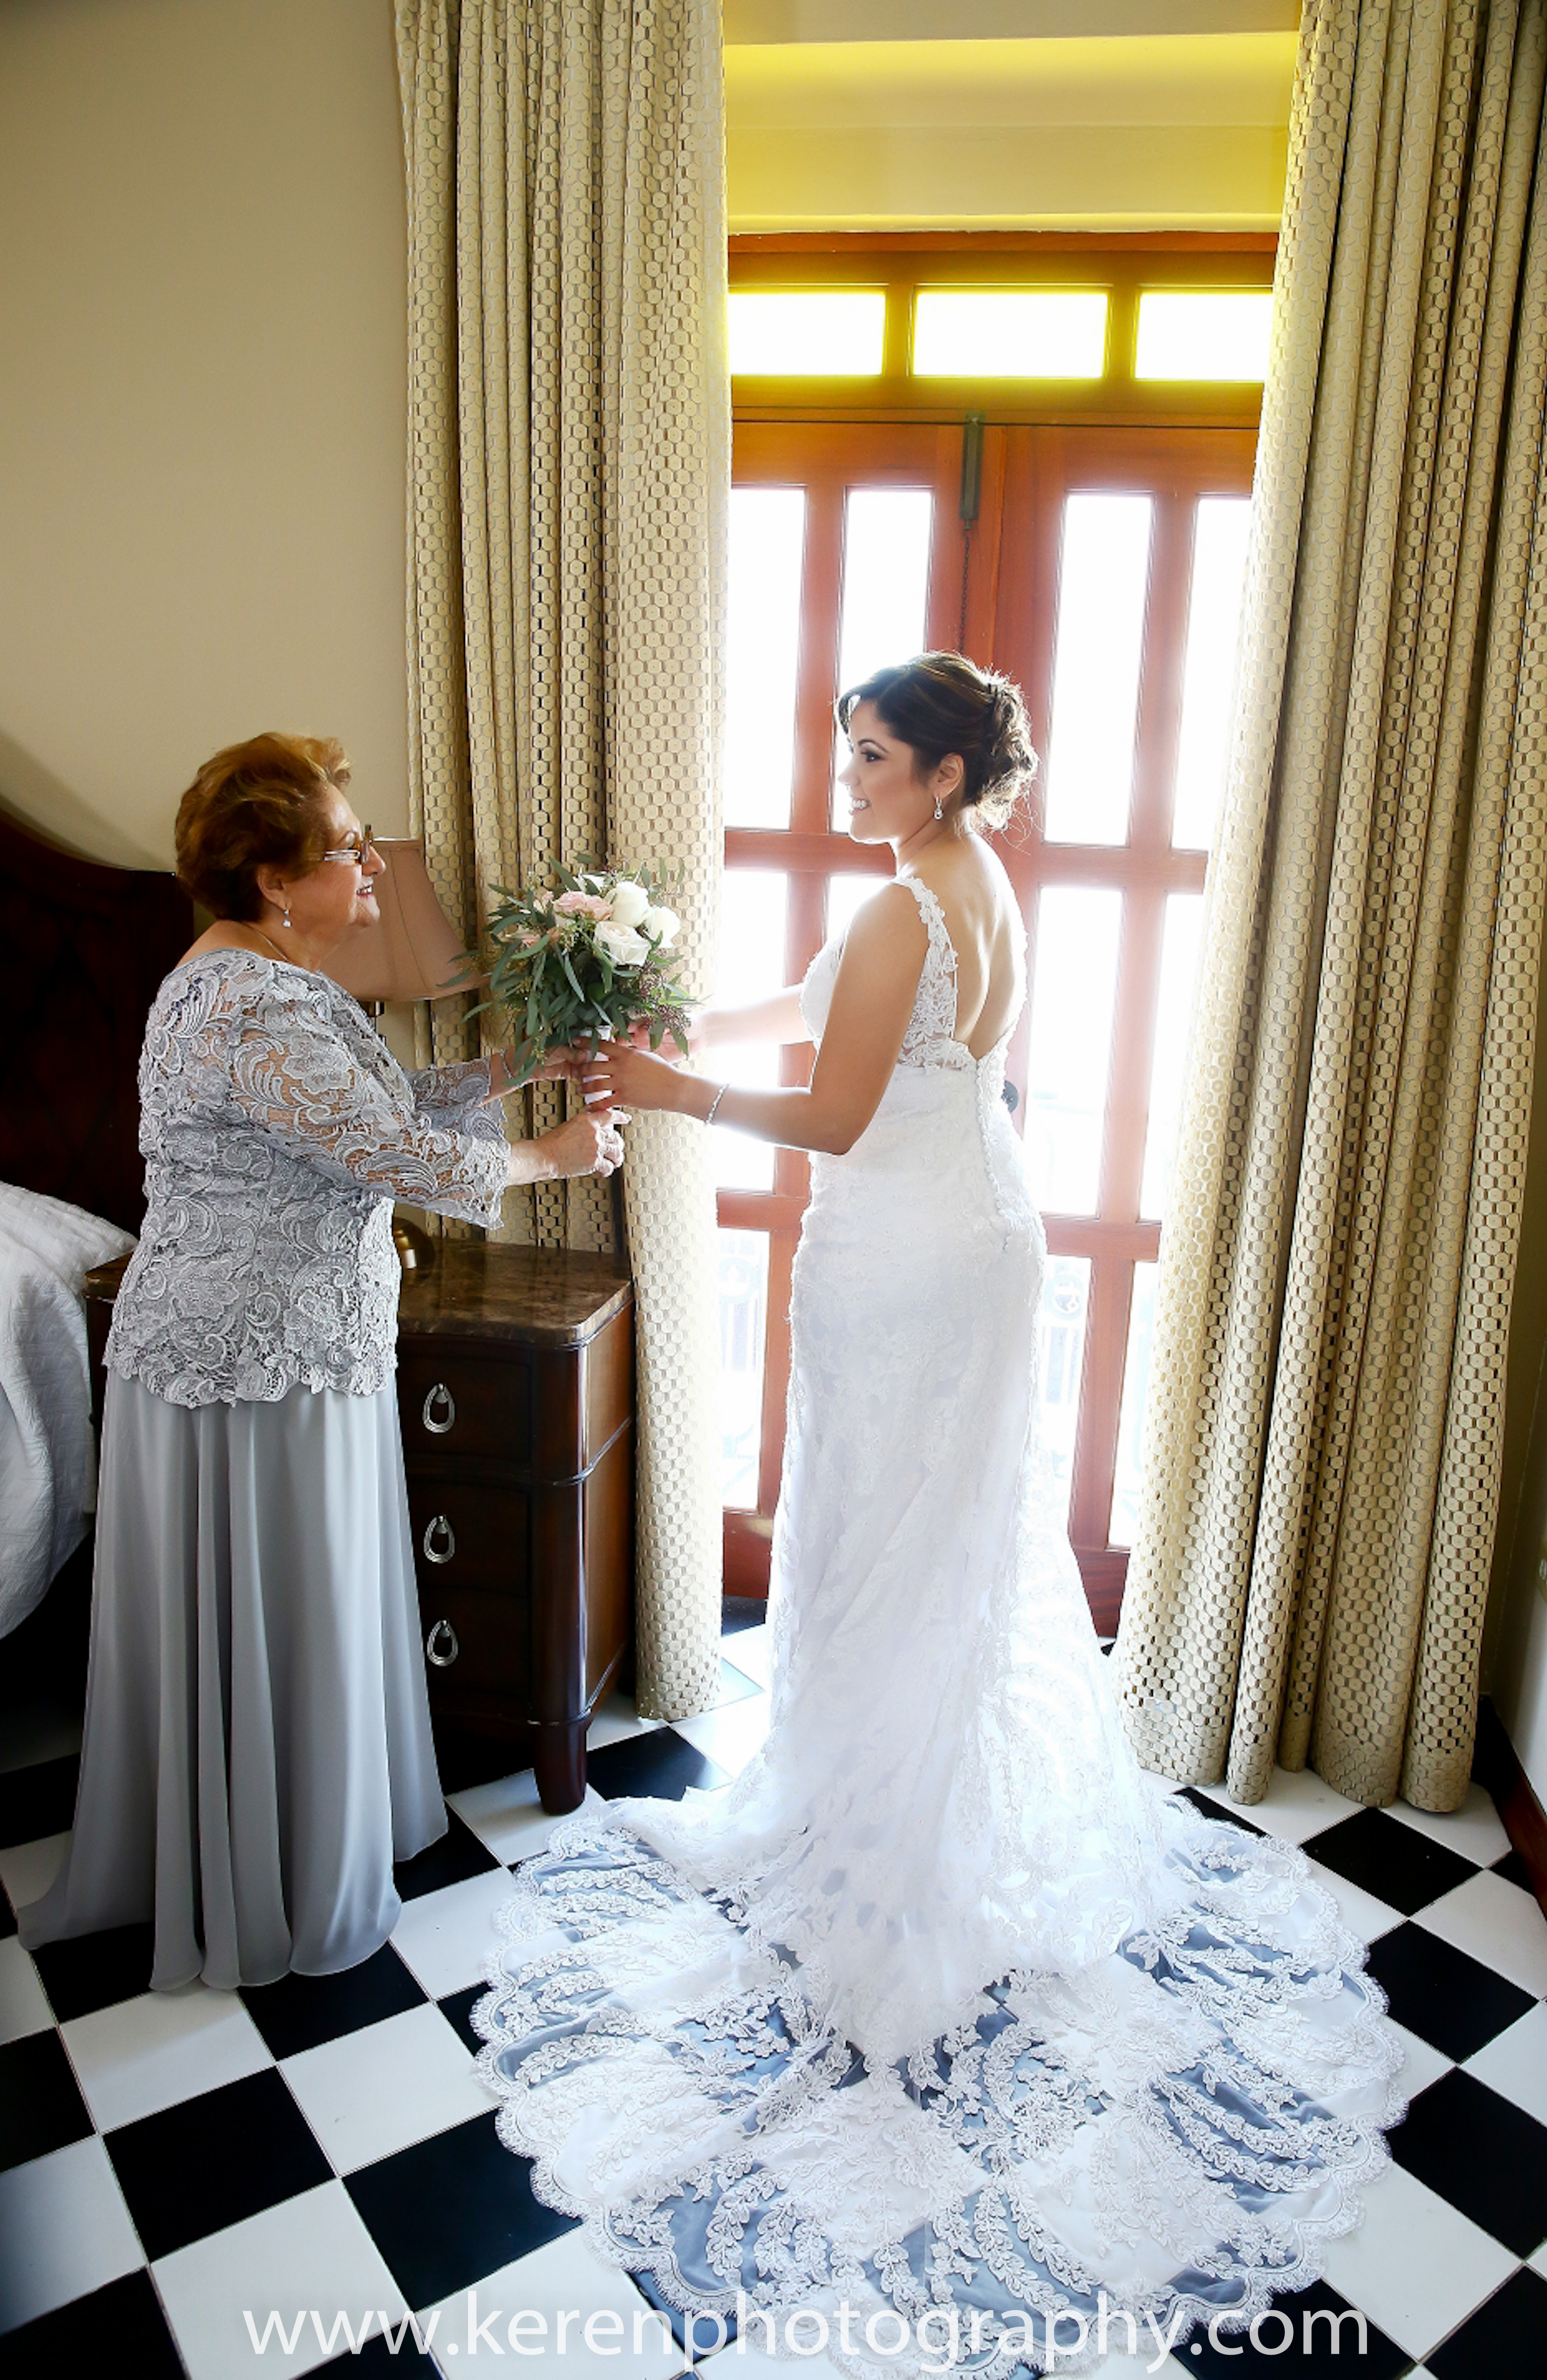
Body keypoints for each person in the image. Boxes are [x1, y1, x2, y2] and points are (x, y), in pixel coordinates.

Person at [473, 655, 1405, 2374]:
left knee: (884, 1536)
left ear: (949, 770)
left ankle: (885, 1845)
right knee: (933, 1542)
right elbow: (830, 1022)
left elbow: (832, 1111)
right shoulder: (964, 885)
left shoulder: (915, 899)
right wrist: (688, 1029)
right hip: (971, 1231)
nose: (845, 776)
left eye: (875, 755)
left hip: (902, 1259)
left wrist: (674, 1101)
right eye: (845, 748)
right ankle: (900, 1795)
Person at [18, 733, 623, 1992]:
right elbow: (394, 1159)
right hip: (256, 1365)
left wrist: (514, 1067)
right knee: (290, 1592)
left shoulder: (253, 984)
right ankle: (273, 1879)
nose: (374, 872)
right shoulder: (254, 999)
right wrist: (550, 1159)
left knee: (291, 1603)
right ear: (277, 876)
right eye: (350, 850)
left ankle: (273, 1839)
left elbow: (374, 1112)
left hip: (272, 1348)